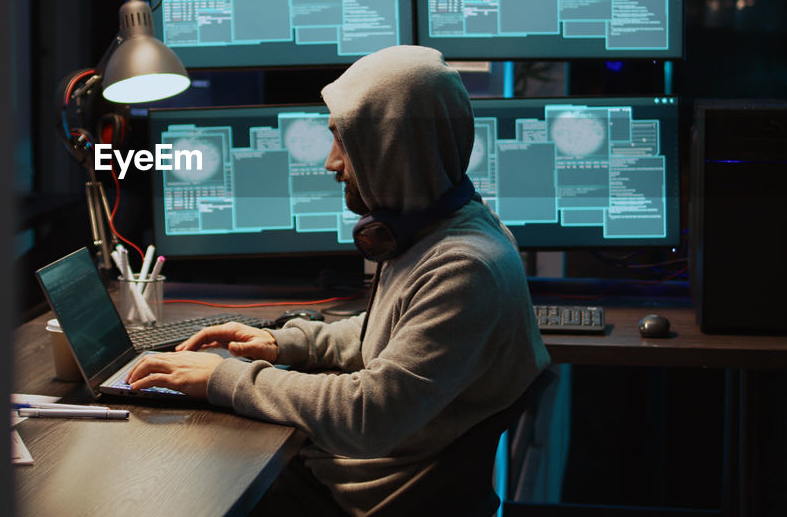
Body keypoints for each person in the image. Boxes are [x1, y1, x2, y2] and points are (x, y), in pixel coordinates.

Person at [127, 45, 550, 516]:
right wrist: (285, 343)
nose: (331, 163)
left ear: (394, 147)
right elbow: (386, 334)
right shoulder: (442, 229)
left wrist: (224, 378)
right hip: (354, 473)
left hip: (359, 497)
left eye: (344, 141)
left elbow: (368, 414)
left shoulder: (465, 268)